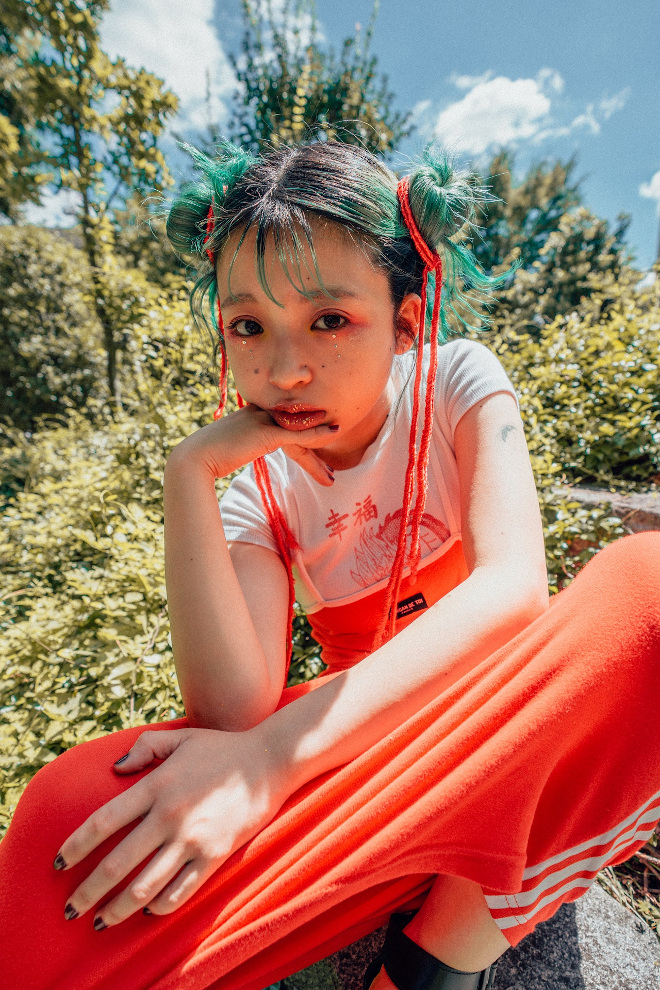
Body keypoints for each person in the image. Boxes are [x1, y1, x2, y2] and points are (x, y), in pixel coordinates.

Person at [1, 140, 659, 990]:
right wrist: (188, 475)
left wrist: (273, 759)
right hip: (368, 763)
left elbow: (511, 593)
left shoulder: (456, 383)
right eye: (248, 326)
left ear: (407, 321)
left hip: (500, 733)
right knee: (66, 813)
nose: (284, 371)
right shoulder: (262, 493)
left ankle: (437, 960)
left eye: (330, 320)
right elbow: (233, 711)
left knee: (648, 587)